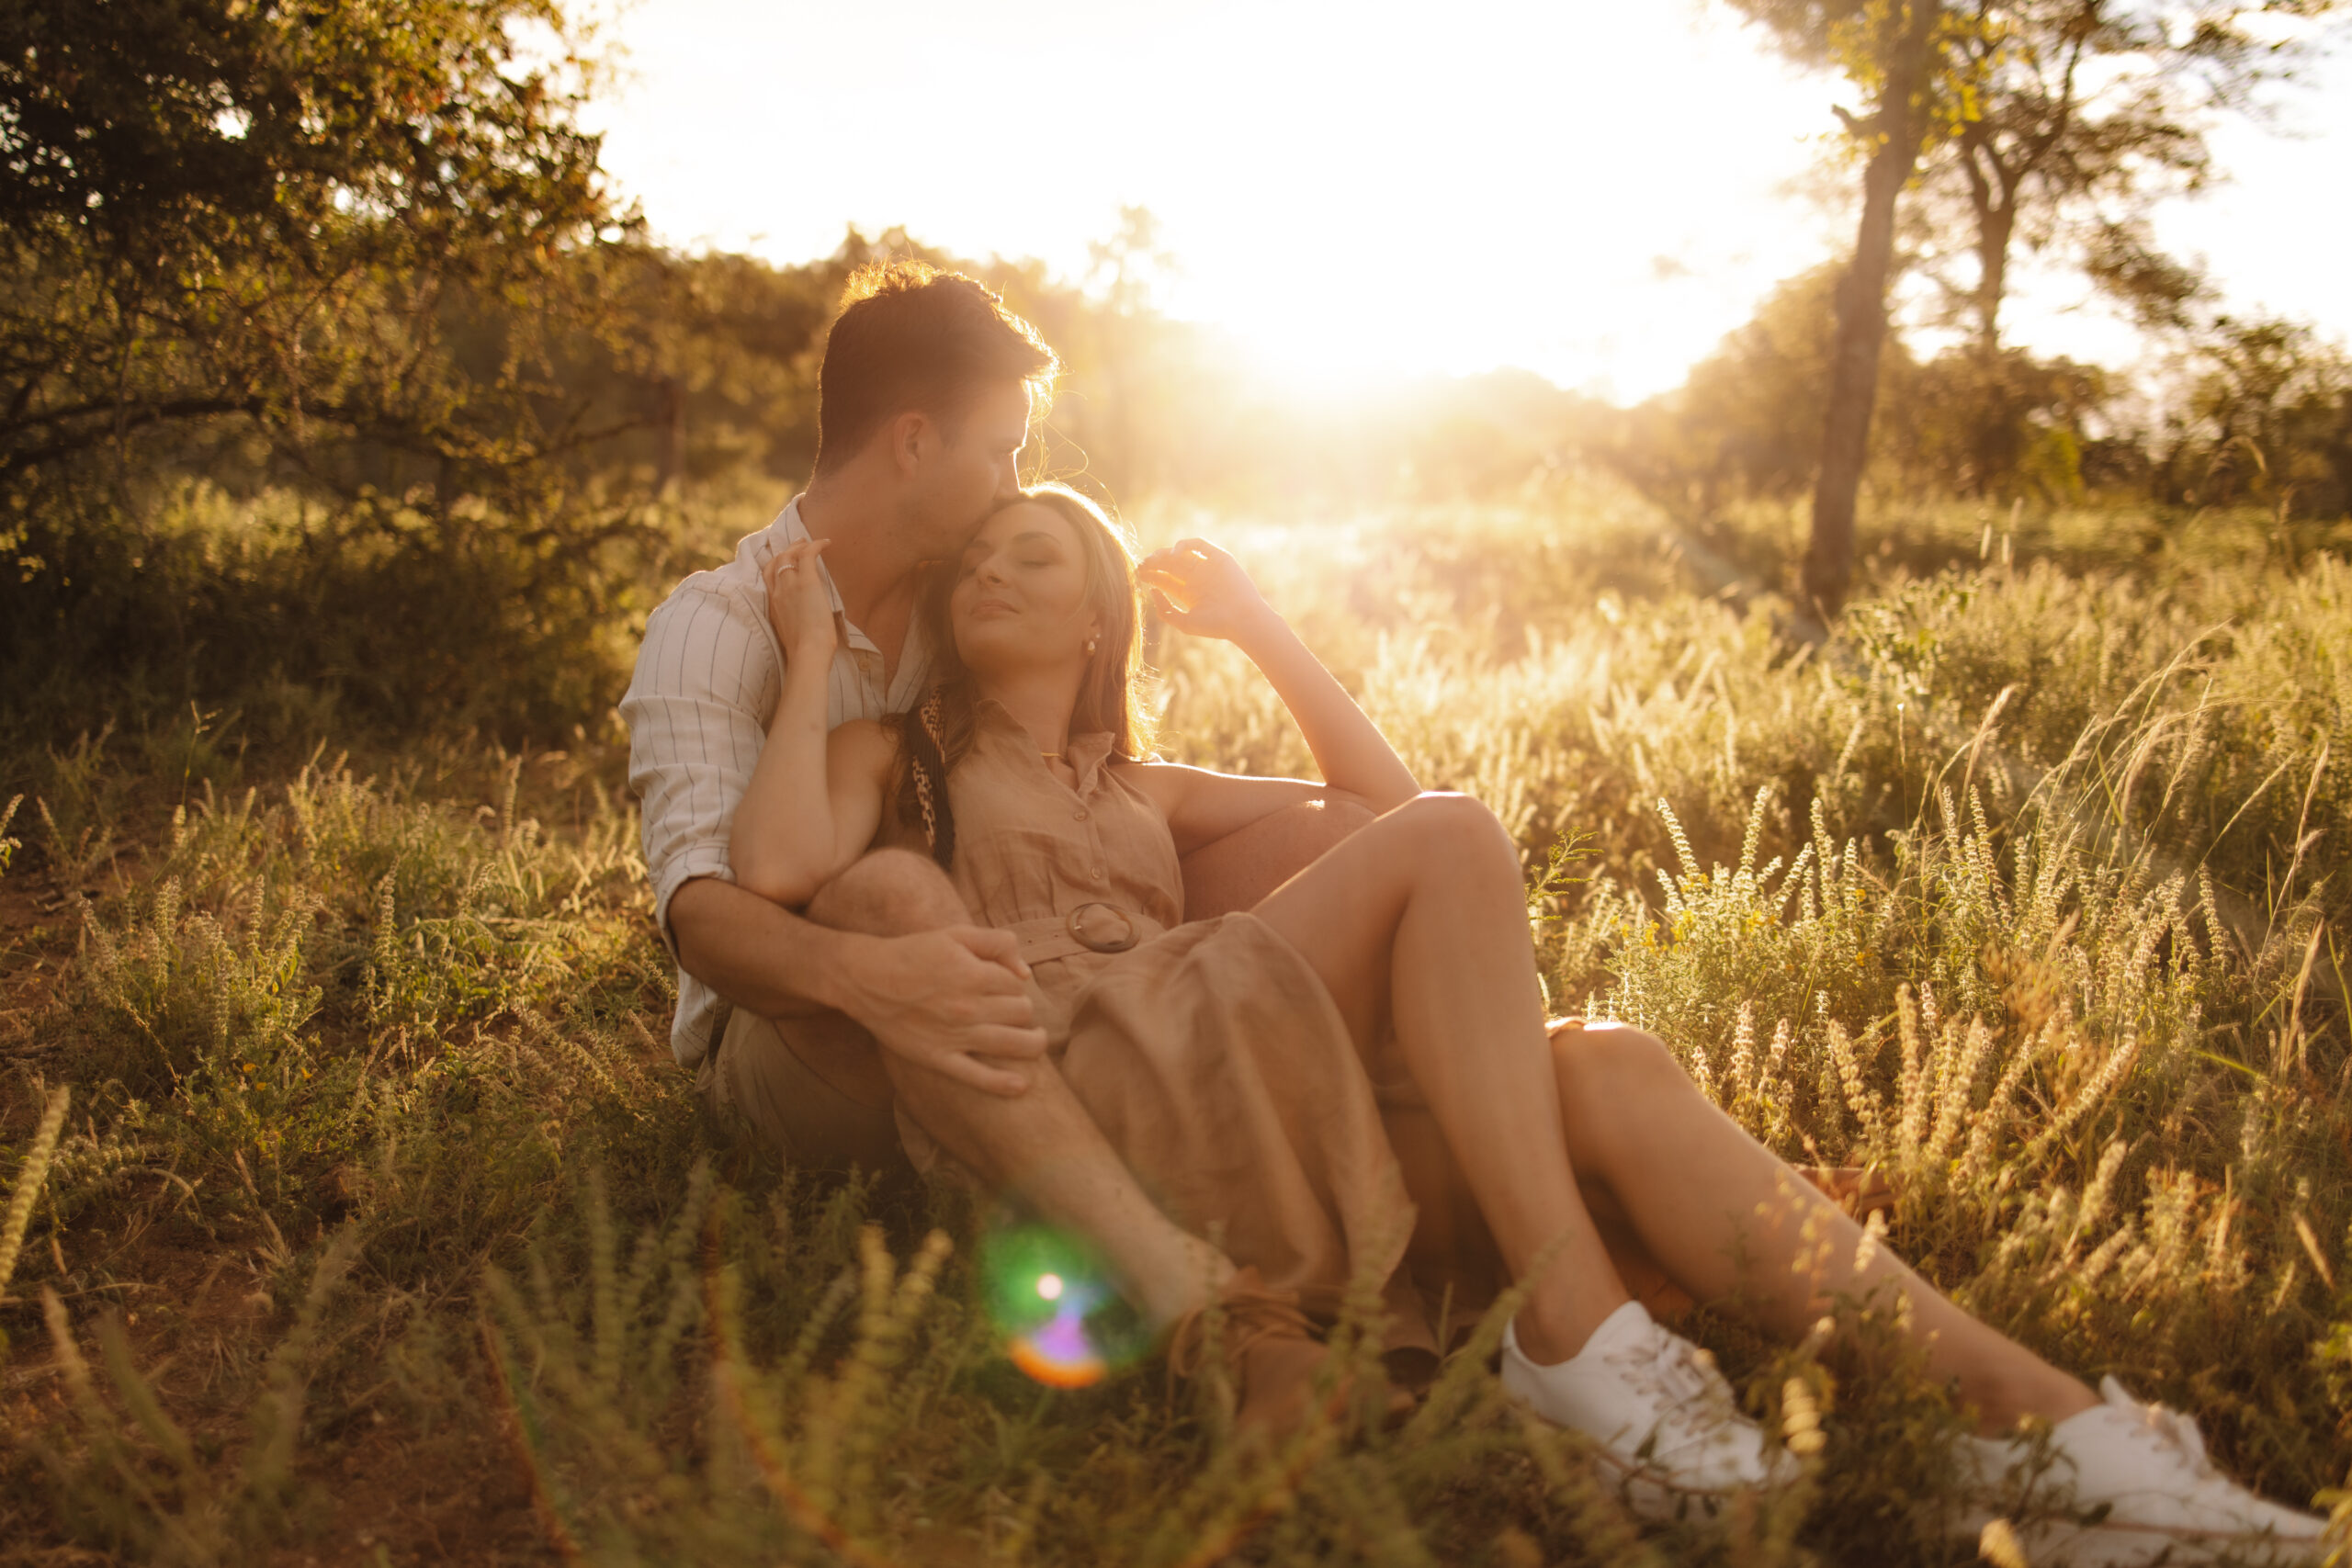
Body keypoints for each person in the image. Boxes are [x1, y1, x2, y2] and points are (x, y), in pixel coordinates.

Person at [729, 481, 2330, 1564]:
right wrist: (813, 660)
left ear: (1098, 626)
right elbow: (785, 864)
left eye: (1043, 557)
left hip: (1236, 1082)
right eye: (983, 557)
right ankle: (1579, 1334)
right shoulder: (907, 755)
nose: (996, 570)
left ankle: (2060, 1441)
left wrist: (1267, 629)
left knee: (1616, 1063)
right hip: (1086, 1087)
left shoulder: (1145, 785)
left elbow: (1374, 801)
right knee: (1459, 832)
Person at [621, 260, 1362, 1345]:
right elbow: (706, 920)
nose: (1016, 485)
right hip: (804, 1035)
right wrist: (875, 982)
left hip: (986, 989)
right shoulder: (716, 627)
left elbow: (1084, 799)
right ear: (915, 442)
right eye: (1003, 450)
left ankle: (1320, 1159)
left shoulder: (960, 601)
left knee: (1221, 860)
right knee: (895, 894)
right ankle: (1175, 1286)